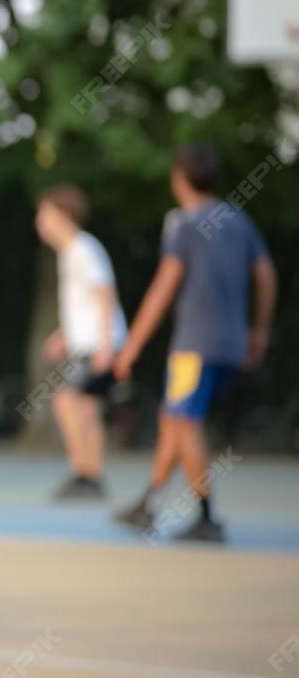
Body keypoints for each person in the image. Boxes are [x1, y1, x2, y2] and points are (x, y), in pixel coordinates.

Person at [113, 141, 276, 542]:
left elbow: (163, 288)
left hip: (193, 346)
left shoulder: (185, 225)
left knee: (184, 422)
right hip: (231, 342)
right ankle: (149, 502)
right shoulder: (239, 221)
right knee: (172, 418)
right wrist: (259, 329)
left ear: (179, 178)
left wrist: (132, 344)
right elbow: (266, 275)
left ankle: (207, 516)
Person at [34, 186, 126, 498]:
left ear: (64, 215)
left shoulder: (82, 249)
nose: (40, 222)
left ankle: (84, 474)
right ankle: (91, 476)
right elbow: (85, 303)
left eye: (45, 214)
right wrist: (64, 335)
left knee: (66, 402)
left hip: (96, 346)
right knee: (86, 408)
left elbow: (104, 294)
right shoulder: (73, 252)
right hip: (89, 343)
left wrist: (105, 344)